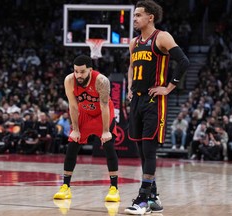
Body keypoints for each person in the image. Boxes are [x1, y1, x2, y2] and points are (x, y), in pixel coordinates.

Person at [124, 0, 189, 215]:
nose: (135, 19)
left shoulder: (162, 37)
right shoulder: (134, 42)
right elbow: (132, 67)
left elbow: (184, 62)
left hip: (154, 100)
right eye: (134, 15)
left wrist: (169, 88)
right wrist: (130, 88)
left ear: (150, 17)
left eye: (138, 15)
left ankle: (142, 199)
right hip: (138, 100)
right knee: (142, 150)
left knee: (150, 149)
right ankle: (153, 197)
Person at [53, 55, 120, 203]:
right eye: (76, 71)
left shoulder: (101, 81)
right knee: (72, 146)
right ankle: (65, 186)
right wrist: (75, 129)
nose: (79, 75)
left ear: (90, 69)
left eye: (82, 71)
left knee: (108, 146)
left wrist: (105, 131)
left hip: (102, 114)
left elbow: (104, 106)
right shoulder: (69, 80)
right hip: (84, 114)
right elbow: (73, 106)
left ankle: (114, 189)